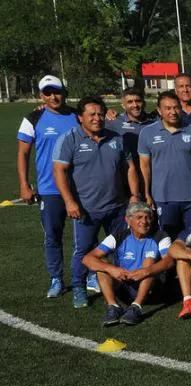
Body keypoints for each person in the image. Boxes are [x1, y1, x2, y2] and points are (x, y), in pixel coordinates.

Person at [53, 96, 140, 308]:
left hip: (117, 207)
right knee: (83, 251)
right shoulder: (69, 139)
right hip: (85, 209)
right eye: (91, 114)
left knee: (121, 248)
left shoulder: (116, 138)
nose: (97, 118)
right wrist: (69, 201)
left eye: (100, 114)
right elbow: (59, 171)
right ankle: (79, 288)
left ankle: (123, 287)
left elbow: (130, 168)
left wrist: (134, 196)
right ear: (79, 117)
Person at [16, 75, 78, 298]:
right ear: (41, 95)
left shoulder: (77, 115)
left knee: (85, 235)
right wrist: (24, 185)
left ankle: (89, 274)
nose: (53, 96)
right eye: (48, 93)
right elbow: (23, 153)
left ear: (64, 92)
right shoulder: (33, 117)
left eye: (57, 92)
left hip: (79, 188)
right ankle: (56, 279)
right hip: (49, 189)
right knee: (53, 235)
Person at [81, 202, 172, 326]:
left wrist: (145, 271)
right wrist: (111, 269)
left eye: (148, 217)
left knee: (150, 264)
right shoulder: (118, 236)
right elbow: (87, 258)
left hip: (150, 288)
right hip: (123, 284)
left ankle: (136, 307)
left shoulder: (160, 237)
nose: (144, 221)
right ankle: (113, 307)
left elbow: (170, 261)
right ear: (128, 220)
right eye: (139, 217)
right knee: (102, 264)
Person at [138, 91, 191, 237]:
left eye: (176, 107)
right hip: (163, 198)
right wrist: (146, 193)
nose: (173, 112)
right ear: (159, 110)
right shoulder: (147, 133)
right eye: (167, 108)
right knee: (167, 239)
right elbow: (144, 166)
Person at [106, 87, 157, 196]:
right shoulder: (113, 122)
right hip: (126, 180)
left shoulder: (155, 121)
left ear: (143, 102)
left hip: (153, 178)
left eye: (138, 101)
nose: (135, 105)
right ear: (123, 105)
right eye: (130, 102)